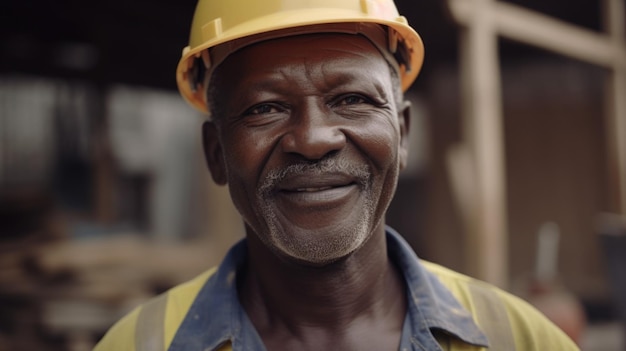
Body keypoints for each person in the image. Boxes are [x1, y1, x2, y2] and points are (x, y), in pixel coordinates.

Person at [94, 0, 580, 350]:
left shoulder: (520, 339)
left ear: (403, 133)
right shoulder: (138, 345)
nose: (313, 139)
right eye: (265, 108)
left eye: (352, 100)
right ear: (216, 153)